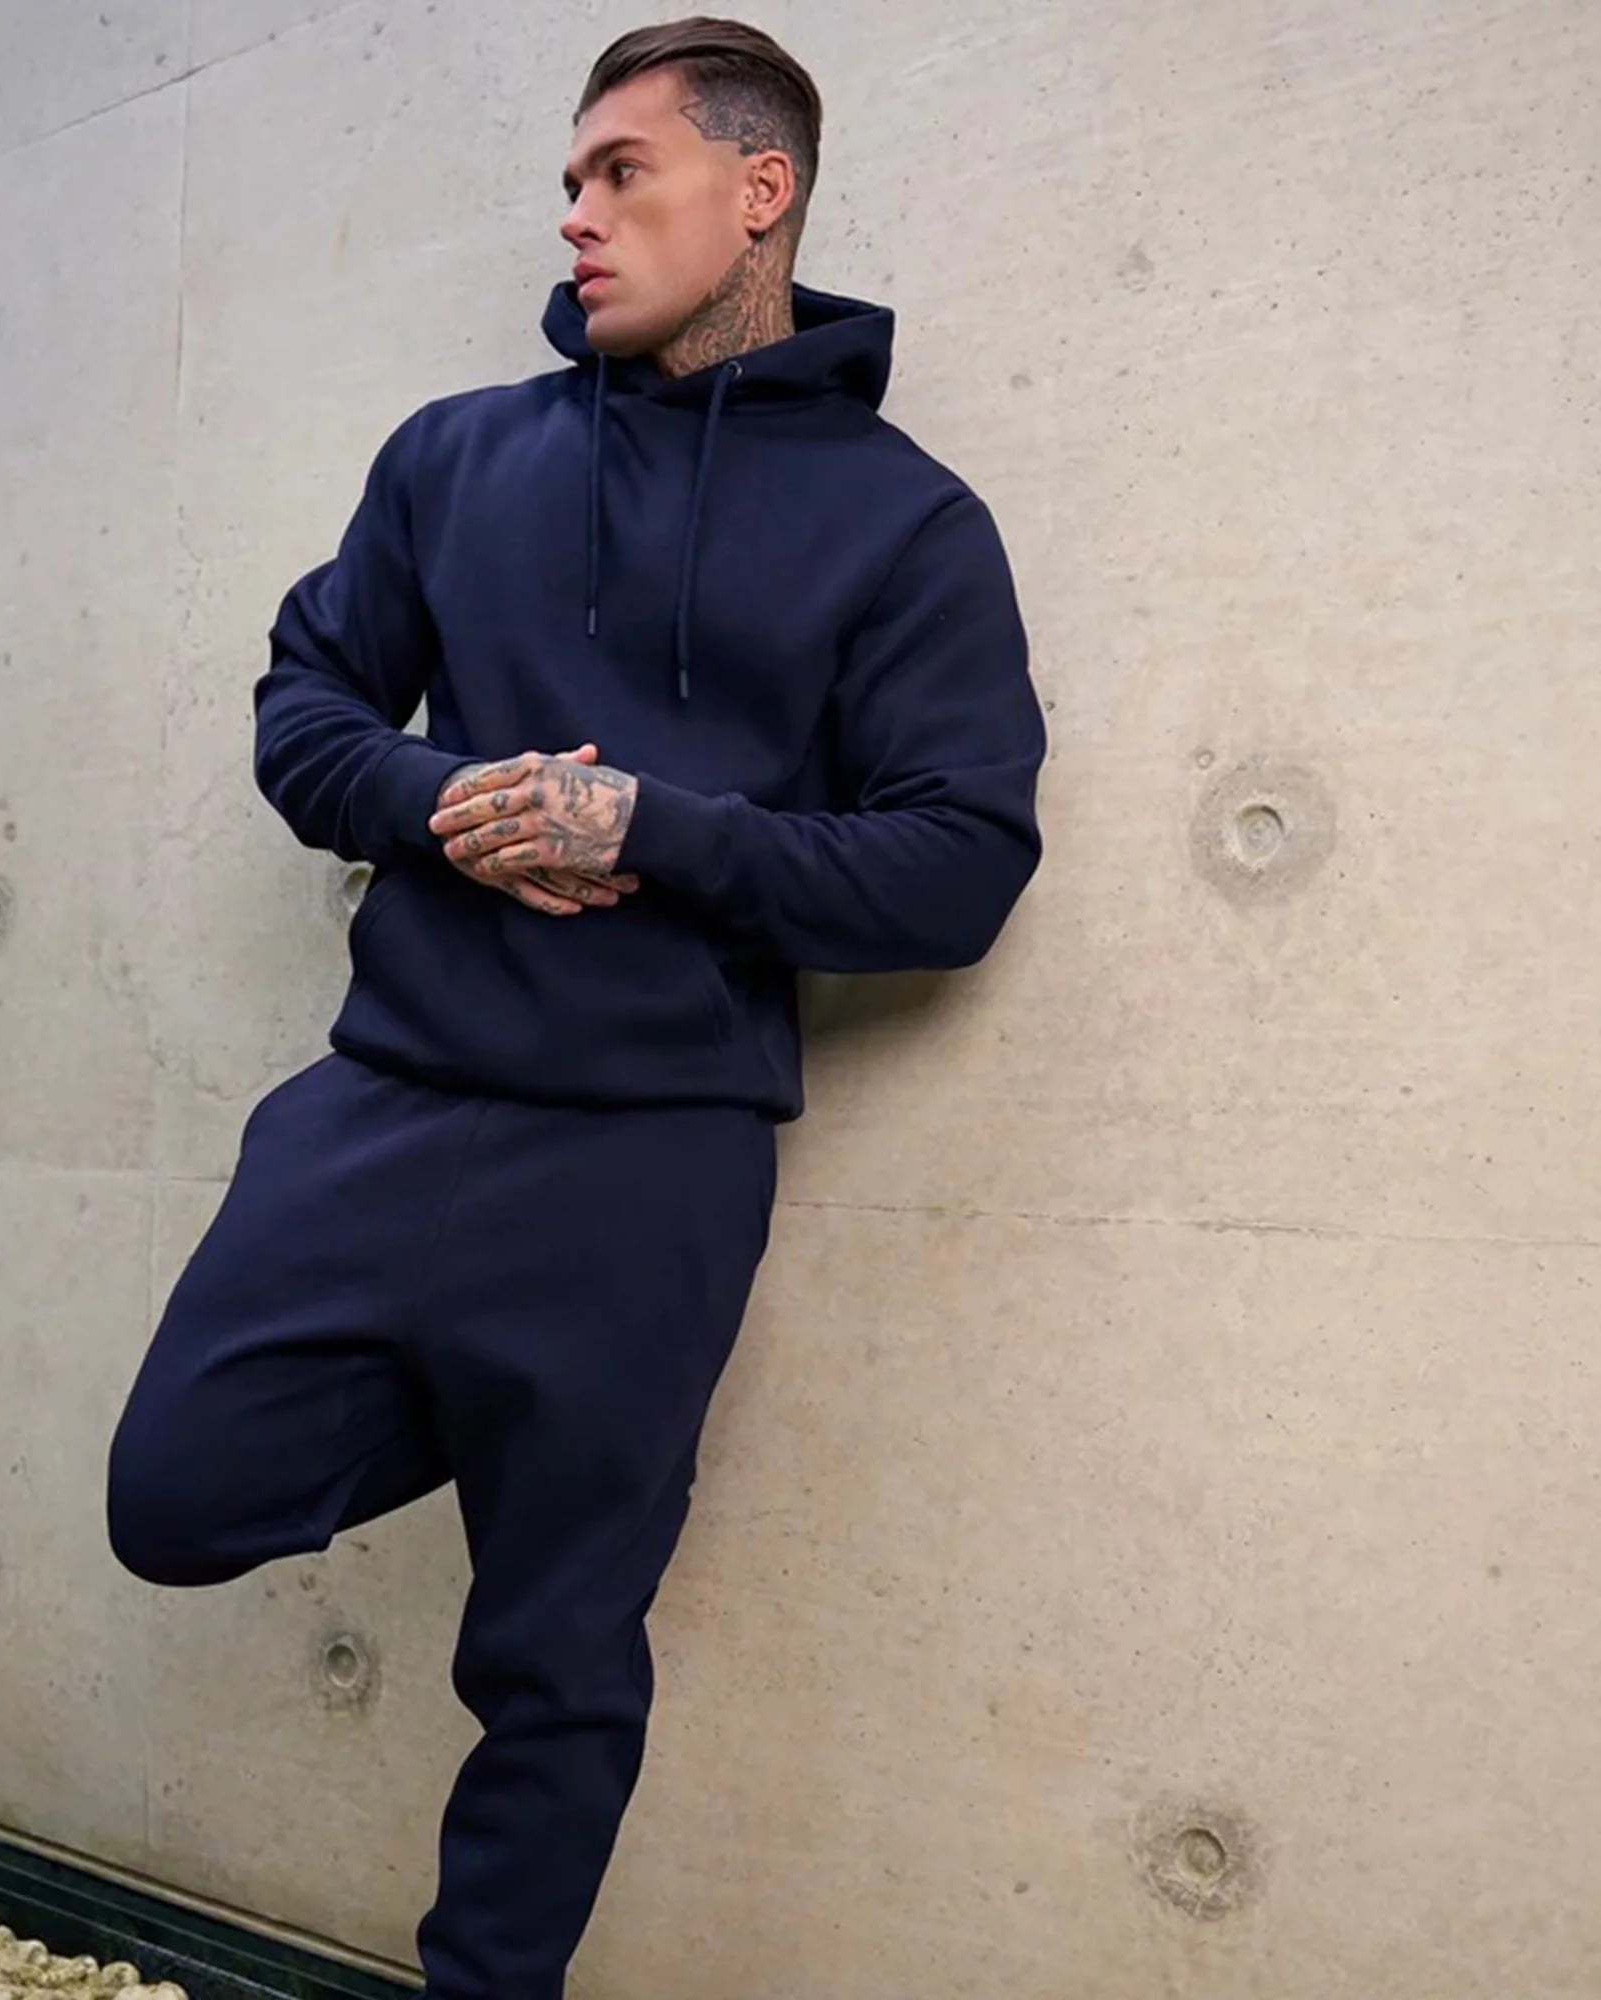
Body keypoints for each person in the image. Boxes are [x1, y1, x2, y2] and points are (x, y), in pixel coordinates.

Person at [106, 17, 1046, 1999]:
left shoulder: (907, 525)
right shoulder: (456, 458)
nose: (577, 214)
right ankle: (493, 1399)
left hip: (650, 1168)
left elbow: (960, 864)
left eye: (624, 172)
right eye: (571, 178)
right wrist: (439, 801)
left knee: (553, 1659)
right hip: (393, 1103)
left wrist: (661, 830)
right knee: (173, 1495)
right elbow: (304, 709)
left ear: (759, 192)